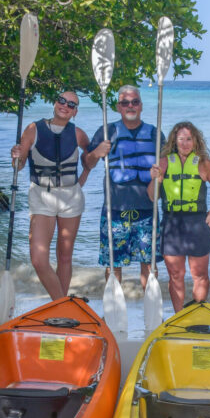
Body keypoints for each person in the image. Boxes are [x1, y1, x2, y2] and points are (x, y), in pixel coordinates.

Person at [10, 91, 92, 300]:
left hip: (70, 198)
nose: (65, 105)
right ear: (55, 103)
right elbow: (19, 167)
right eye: (62, 100)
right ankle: (62, 303)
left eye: (71, 104)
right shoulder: (32, 129)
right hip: (41, 197)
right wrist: (16, 157)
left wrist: (83, 177)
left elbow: (90, 157)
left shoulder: (78, 134)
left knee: (64, 256)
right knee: (38, 259)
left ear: (75, 112)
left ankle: (60, 310)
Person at [82, 85, 163, 289]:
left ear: (141, 106)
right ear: (118, 107)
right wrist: (97, 152)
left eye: (135, 102)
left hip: (147, 210)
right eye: (125, 102)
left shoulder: (155, 134)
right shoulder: (107, 131)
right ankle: (113, 312)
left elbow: (166, 170)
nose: (130, 106)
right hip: (115, 211)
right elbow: (88, 164)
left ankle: (150, 312)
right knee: (113, 264)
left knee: (149, 264)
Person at [148, 122, 210, 313]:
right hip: (172, 223)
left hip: (197, 224)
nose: (184, 143)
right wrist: (154, 179)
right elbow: (152, 196)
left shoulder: (203, 164)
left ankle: (197, 313)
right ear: (174, 141)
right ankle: (179, 316)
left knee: (199, 274)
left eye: (189, 139)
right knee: (176, 274)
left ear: (195, 141)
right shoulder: (164, 162)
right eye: (181, 139)